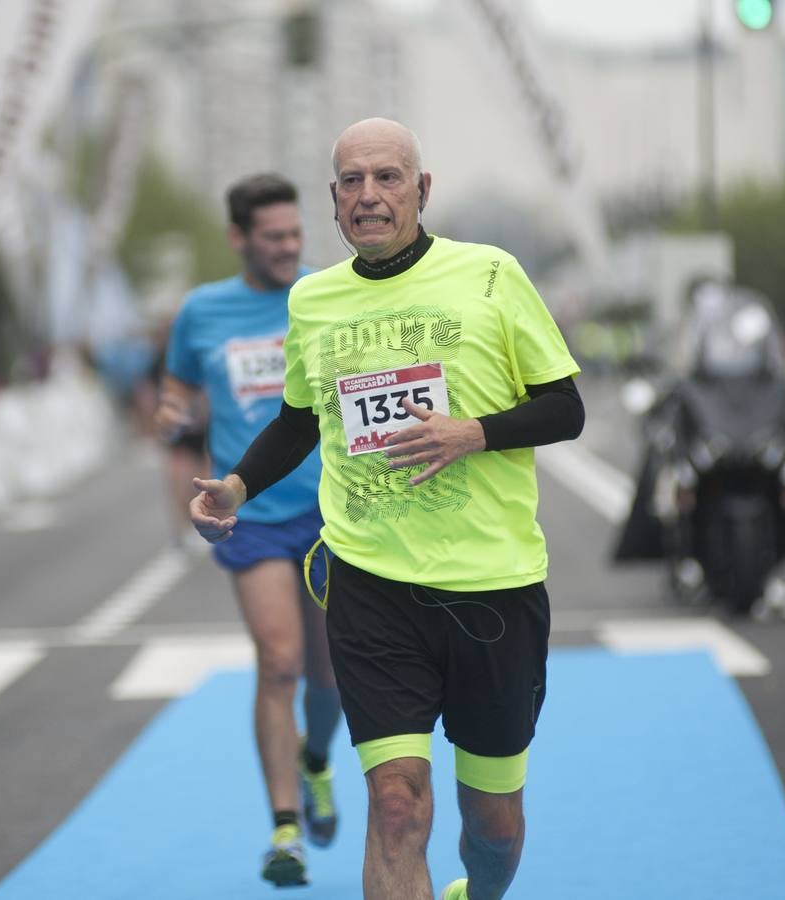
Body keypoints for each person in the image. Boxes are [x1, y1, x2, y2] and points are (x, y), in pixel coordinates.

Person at [189, 120, 585, 900]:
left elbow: (565, 409)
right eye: (351, 181)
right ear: (333, 201)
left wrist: (475, 432)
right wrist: (236, 487)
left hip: (493, 587)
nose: (369, 195)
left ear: (422, 189)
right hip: (371, 583)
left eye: (387, 177)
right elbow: (300, 421)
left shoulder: (492, 276)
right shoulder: (313, 300)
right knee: (397, 804)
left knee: (494, 829)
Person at [158, 173, 343, 888]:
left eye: (297, 235)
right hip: (253, 514)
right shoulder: (202, 311)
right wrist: (170, 415)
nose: (289, 248)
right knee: (280, 662)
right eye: (274, 238)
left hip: (331, 512)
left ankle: (317, 761)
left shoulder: (327, 294)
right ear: (238, 238)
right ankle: (285, 829)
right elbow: (177, 386)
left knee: (330, 674)